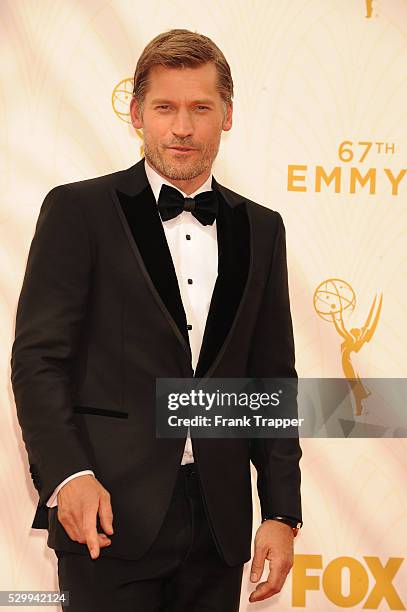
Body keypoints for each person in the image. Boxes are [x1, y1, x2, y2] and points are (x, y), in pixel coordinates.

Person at [10, 28, 302, 612]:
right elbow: (39, 360)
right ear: (137, 113)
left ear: (228, 115)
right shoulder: (79, 210)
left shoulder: (262, 230)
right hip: (106, 515)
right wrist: (68, 476)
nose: (182, 127)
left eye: (201, 108)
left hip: (217, 524)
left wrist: (280, 511)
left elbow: (272, 379)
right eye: (165, 108)